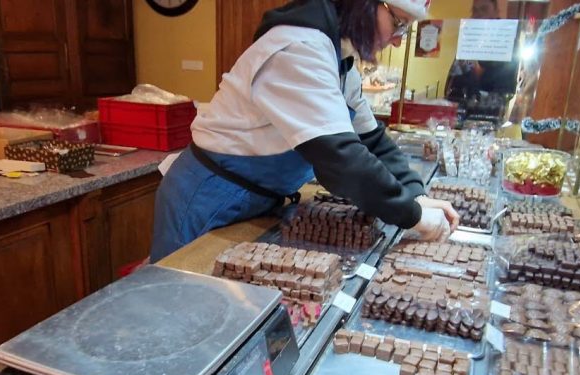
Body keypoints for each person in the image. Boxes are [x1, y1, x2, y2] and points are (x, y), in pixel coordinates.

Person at [150, 0, 460, 262]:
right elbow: (340, 161)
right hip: (208, 200)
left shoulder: (339, 59)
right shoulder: (297, 48)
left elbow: (372, 140)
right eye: (399, 23)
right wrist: (412, 214)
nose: (398, 39)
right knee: (184, 314)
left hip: (257, 199)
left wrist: (417, 194)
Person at [444, 0, 518, 112]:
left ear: (496, 13)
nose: (478, 14)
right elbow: (452, 83)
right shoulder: (468, 42)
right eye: (475, 10)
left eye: (484, 9)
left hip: (490, 115)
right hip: (461, 113)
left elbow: (506, 89)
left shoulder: (506, 43)